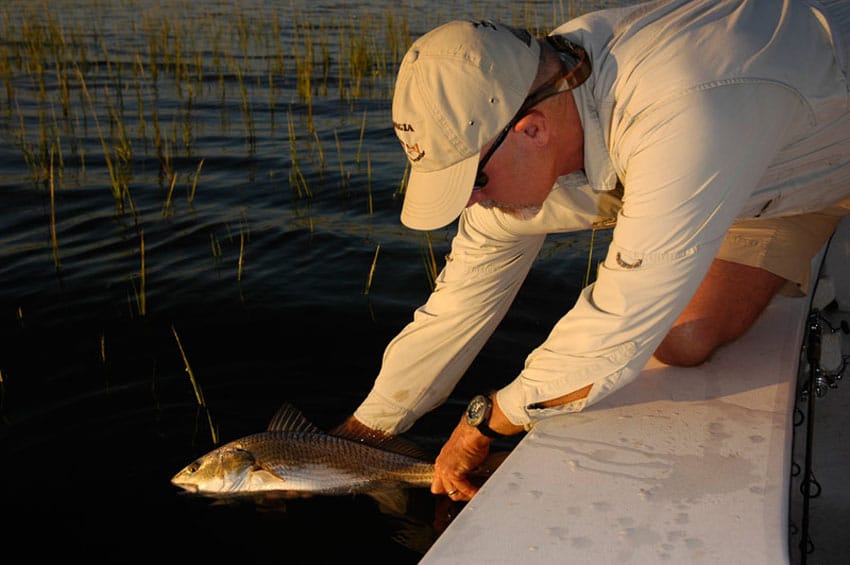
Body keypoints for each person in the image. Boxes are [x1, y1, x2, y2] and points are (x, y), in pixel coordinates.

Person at [332, 0, 850, 502]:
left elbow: (622, 322)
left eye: (473, 180)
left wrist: (488, 421)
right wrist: (363, 433)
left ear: (530, 128)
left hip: (818, 144)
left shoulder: (682, 105)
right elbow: (457, 304)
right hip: (753, 171)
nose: (473, 202)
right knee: (684, 342)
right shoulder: (537, 83)